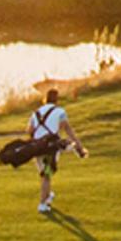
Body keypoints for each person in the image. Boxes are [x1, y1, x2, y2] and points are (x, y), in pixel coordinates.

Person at [28, 87, 81, 215]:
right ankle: (42, 204)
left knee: (45, 174)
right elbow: (67, 129)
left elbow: (29, 130)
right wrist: (78, 145)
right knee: (47, 176)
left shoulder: (36, 113)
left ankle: (47, 197)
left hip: (36, 147)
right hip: (51, 148)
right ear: (57, 100)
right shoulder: (60, 111)